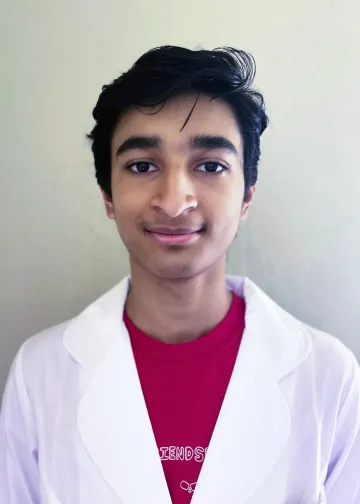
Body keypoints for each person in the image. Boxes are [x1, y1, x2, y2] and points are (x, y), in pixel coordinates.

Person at [0, 46, 359, 504]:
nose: (174, 201)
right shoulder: (40, 373)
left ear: (246, 195)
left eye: (210, 166)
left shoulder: (328, 376)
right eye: (142, 166)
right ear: (108, 196)